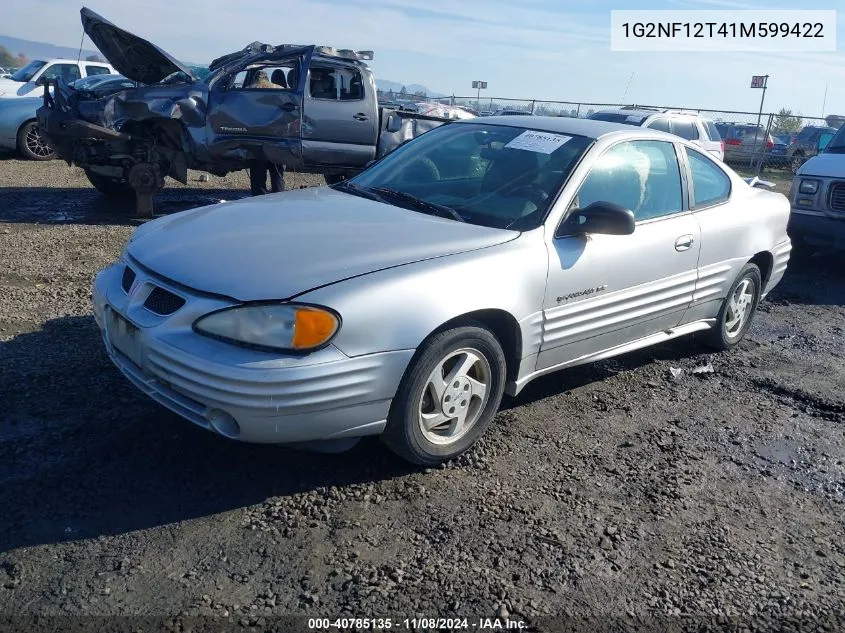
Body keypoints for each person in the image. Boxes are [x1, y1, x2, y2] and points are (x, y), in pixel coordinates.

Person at [246, 70, 286, 195]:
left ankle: (259, 204)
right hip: (276, 138)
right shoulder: (280, 89)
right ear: (267, 79)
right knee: (277, 173)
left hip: (256, 139)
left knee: (258, 177)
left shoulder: (248, 90)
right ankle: (278, 201)